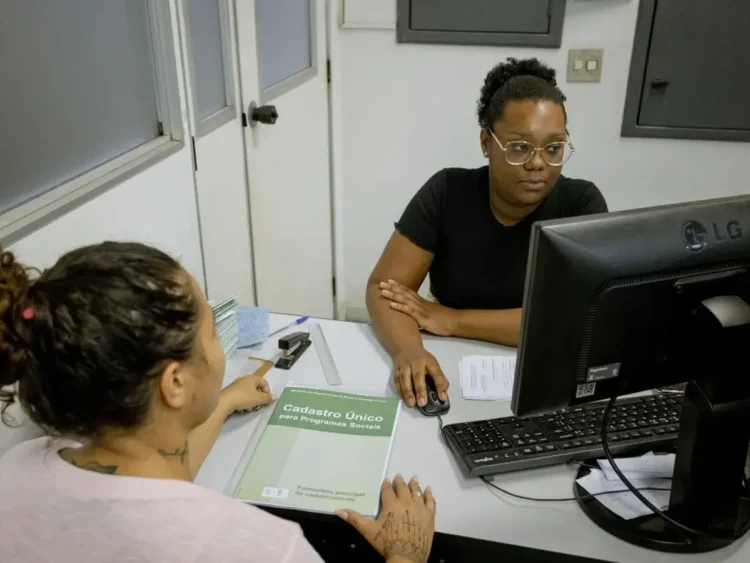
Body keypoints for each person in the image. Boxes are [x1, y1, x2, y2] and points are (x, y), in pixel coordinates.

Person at [0, 242, 436, 563]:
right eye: (211, 331)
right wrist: (406, 556)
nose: (218, 348)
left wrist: (223, 402)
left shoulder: (14, 471)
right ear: (174, 383)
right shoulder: (261, 547)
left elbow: (148, 481)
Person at [367, 58, 608, 409]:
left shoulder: (580, 204)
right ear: (486, 142)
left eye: (554, 148)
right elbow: (384, 288)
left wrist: (450, 319)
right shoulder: (447, 191)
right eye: (520, 147)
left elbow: (575, 320)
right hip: (451, 370)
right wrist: (410, 352)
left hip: (539, 374)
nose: (538, 163)